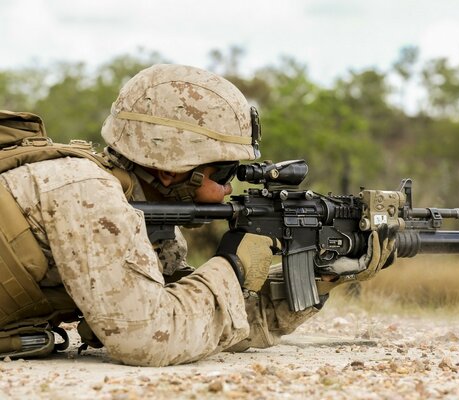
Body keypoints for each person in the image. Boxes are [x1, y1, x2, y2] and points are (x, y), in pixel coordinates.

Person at [0, 64, 397, 366]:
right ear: (174, 169)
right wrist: (232, 266)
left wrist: (321, 277)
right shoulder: (86, 194)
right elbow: (148, 338)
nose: (230, 188)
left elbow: (202, 322)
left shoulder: (150, 219)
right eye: (223, 172)